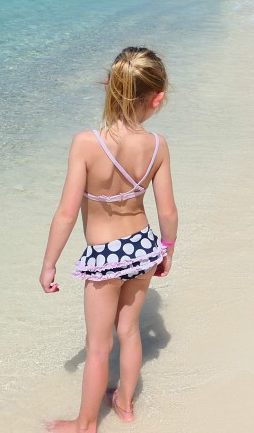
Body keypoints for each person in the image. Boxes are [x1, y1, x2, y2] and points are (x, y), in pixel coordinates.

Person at [40, 47, 178, 433]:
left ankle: (85, 425)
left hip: (105, 256)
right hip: (144, 247)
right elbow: (167, 211)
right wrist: (166, 251)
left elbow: (67, 212)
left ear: (110, 87)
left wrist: (49, 262)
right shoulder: (157, 145)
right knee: (130, 331)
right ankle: (125, 403)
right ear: (157, 98)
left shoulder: (86, 143)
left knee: (98, 346)